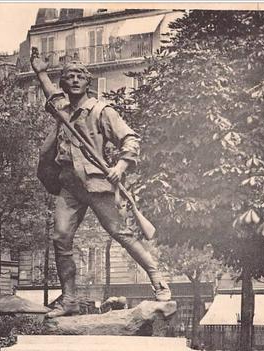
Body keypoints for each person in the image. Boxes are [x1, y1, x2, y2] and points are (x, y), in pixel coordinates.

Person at [30, 49, 171, 318]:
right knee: (60, 237)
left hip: (96, 184)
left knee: (121, 234)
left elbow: (130, 139)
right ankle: (69, 299)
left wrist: (120, 166)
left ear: (87, 82)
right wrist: (40, 73)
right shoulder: (60, 108)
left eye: (79, 77)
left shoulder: (100, 110)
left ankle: (158, 282)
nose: (73, 81)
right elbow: (51, 95)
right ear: (63, 83)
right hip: (69, 185)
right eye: (68, 77)